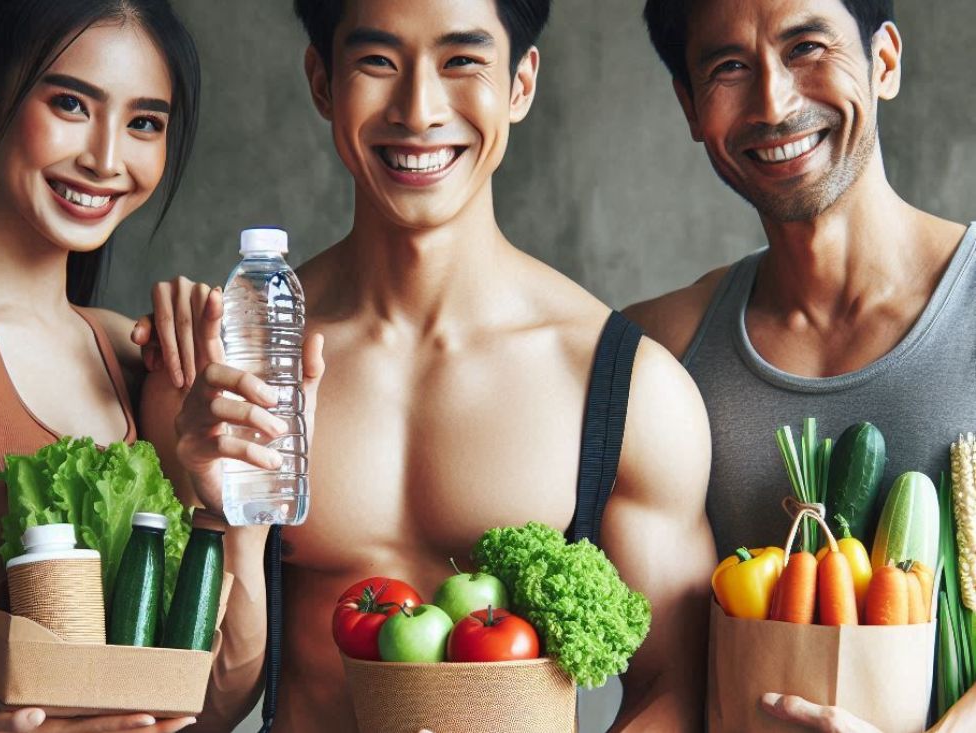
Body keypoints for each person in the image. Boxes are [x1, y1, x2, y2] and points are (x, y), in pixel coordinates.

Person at [140, 0, 716, 731]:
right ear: (322, 81)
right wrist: (233, 518)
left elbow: (674, 690)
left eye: (462, 60)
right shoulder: (226, 368)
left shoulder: (628, 386)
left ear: (521, 83)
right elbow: (199, 711)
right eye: (378, 61)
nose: (418, 110)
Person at [628, 0, 976, 729]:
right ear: (690, 107)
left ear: (883, 61)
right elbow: (667, 685)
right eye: (729, 68)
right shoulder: (660, 351)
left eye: (807, 47)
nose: (774, 102)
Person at [0, 1, 201, 730]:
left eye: (145, 122)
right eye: (70, 104)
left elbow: (219, 681)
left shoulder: (135, 358)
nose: (106, 157)